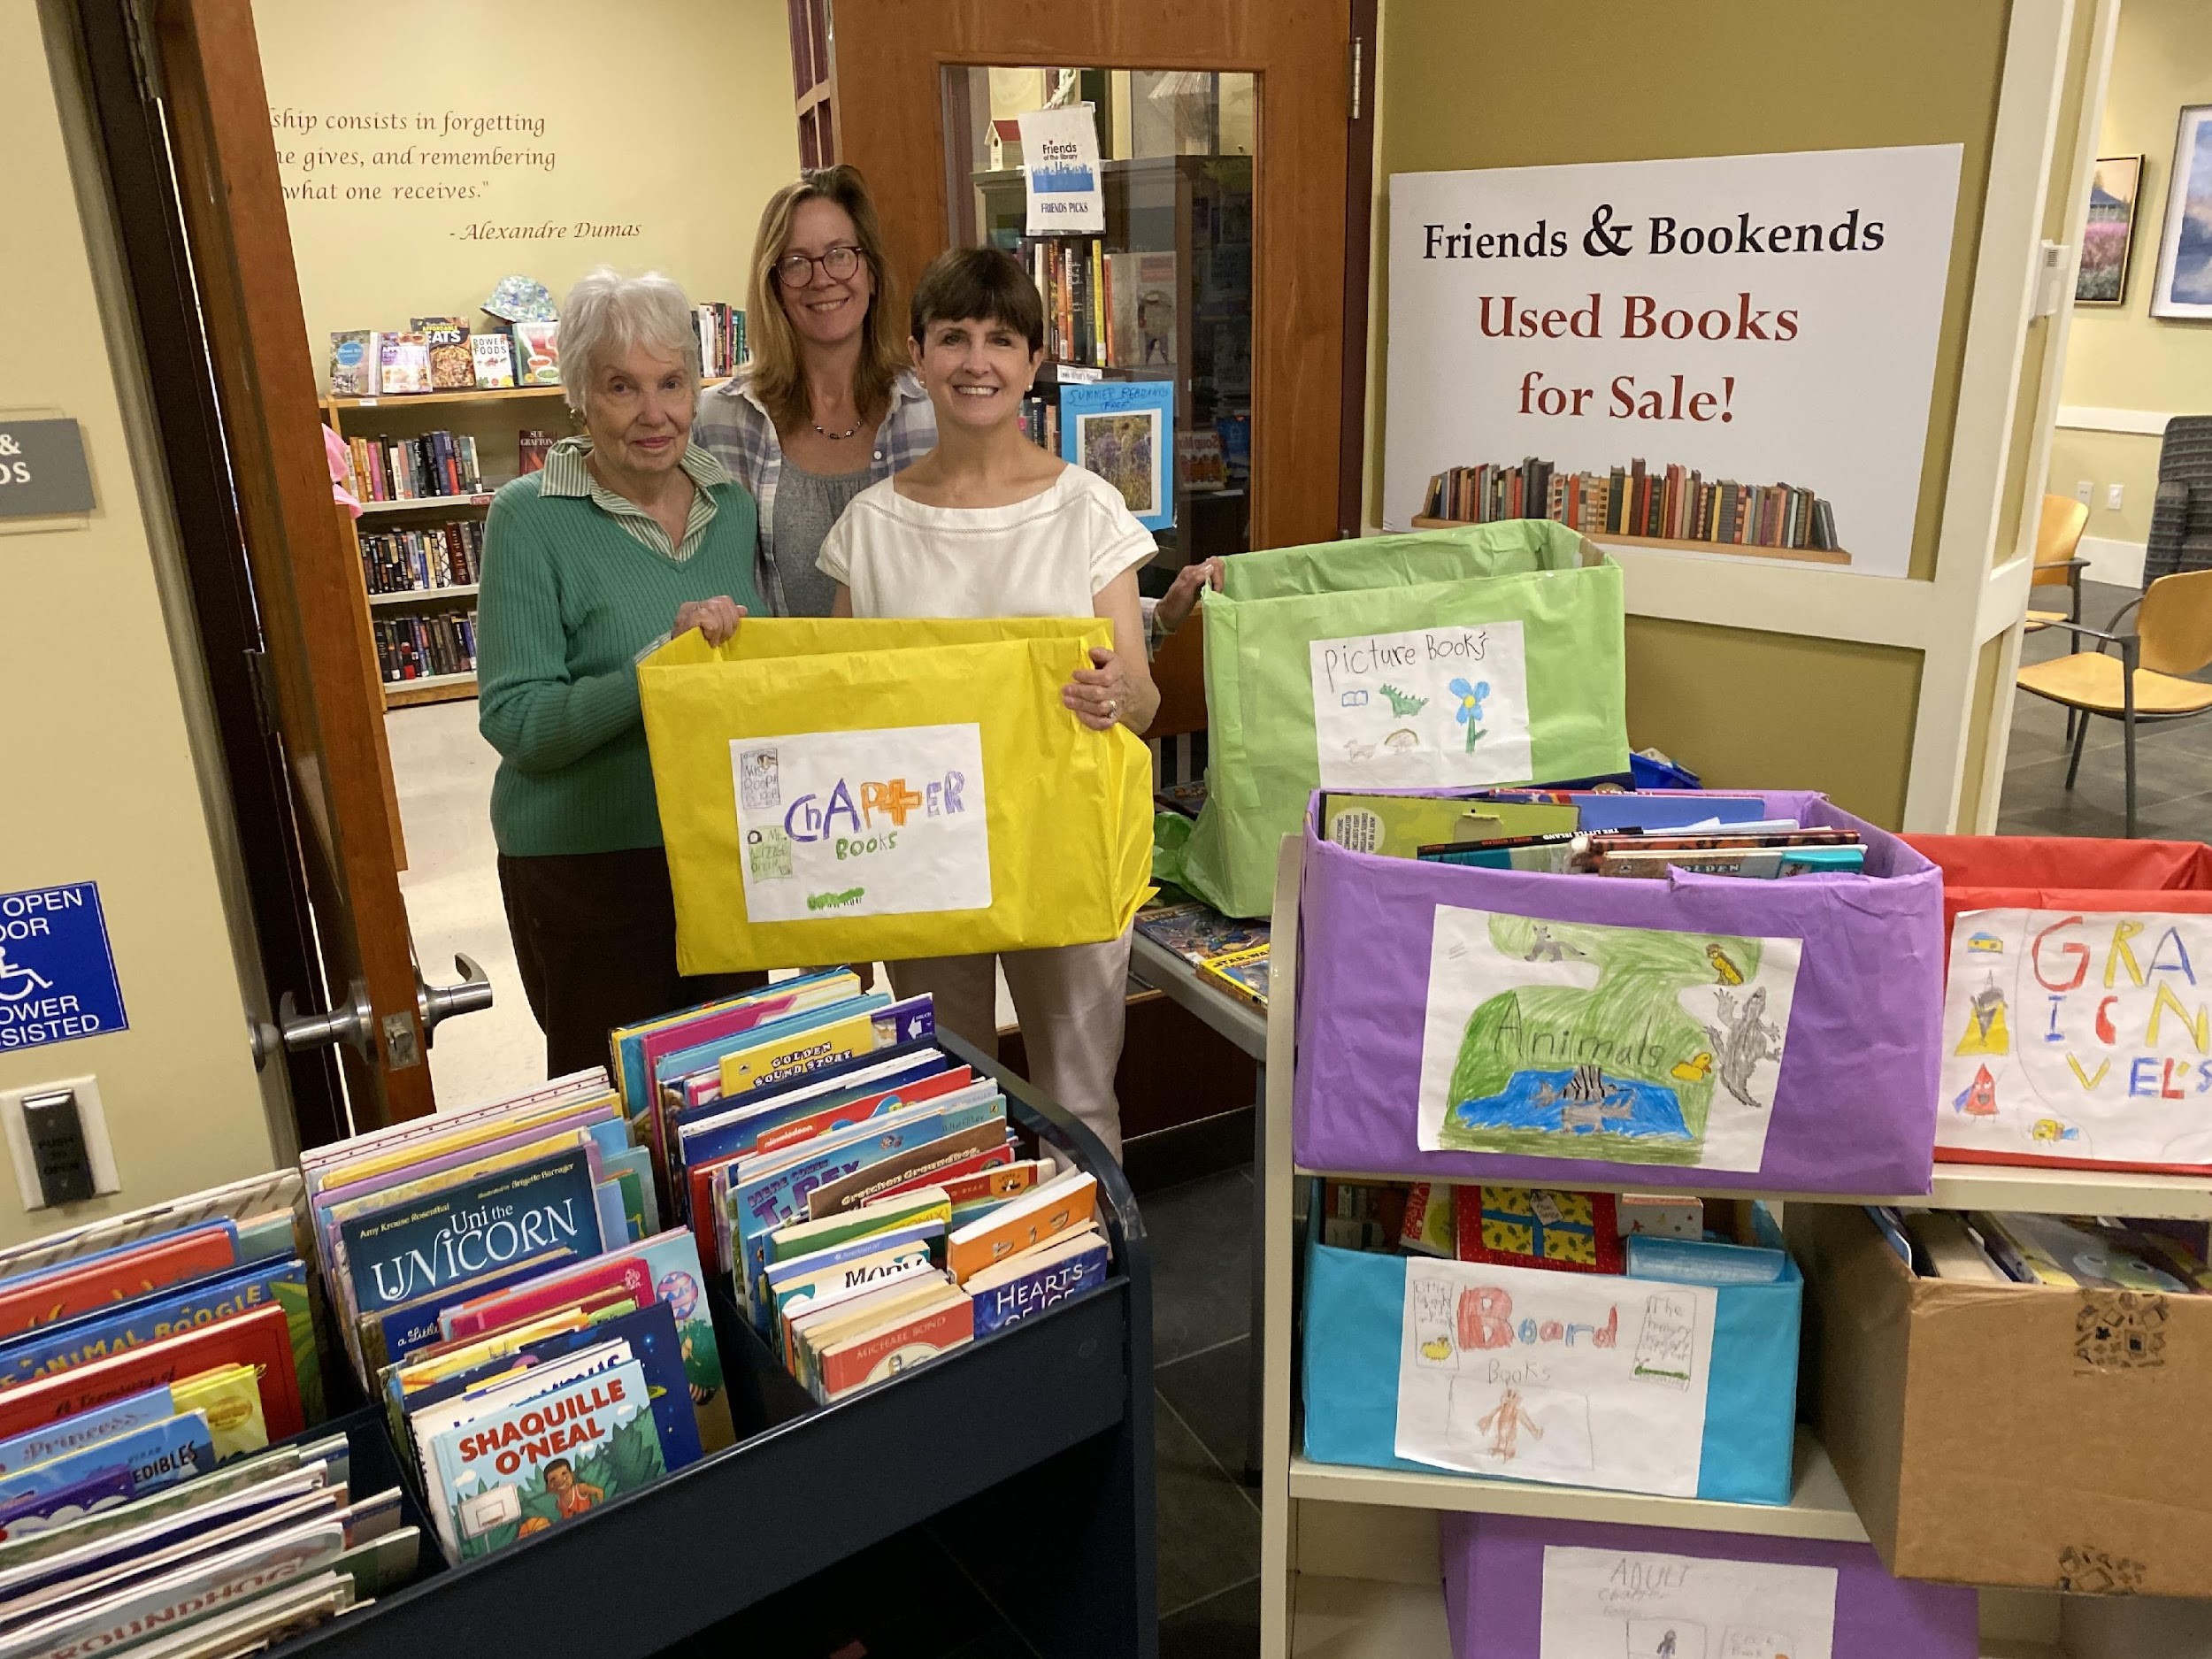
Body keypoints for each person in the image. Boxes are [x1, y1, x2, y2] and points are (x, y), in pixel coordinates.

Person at [817, 247, 1161, 1159]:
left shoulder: (1087, 510)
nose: (978, 361)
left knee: (1080, 1097)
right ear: (917, 354)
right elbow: (842, 716)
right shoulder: (872, 527)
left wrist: (1116, 691)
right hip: (921, 845)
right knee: (944, 1086)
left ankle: (1089, 1277)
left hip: (1062, 844)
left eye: (1002, 340)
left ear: (1034, 362)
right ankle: (974, 1286)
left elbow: (1144, 700)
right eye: (954, 337)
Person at [477, 266, 765, 1077]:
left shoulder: (729, 504)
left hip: (717, 856)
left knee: (736, 1099)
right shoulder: (527, 518)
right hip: (584, 868)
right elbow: (518, 723)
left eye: (671, 383)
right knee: (619, 1113)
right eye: (620, 387)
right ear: (578, 393)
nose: (654, 414)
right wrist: (658, 669)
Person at [693, 166, 936, 616]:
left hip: (914, 680)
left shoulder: (933, 411)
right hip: (777, 680)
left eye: (840, 255)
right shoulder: (721, 419)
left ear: (873, 273)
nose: (822, 279)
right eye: (796, 263)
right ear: (774, 287)